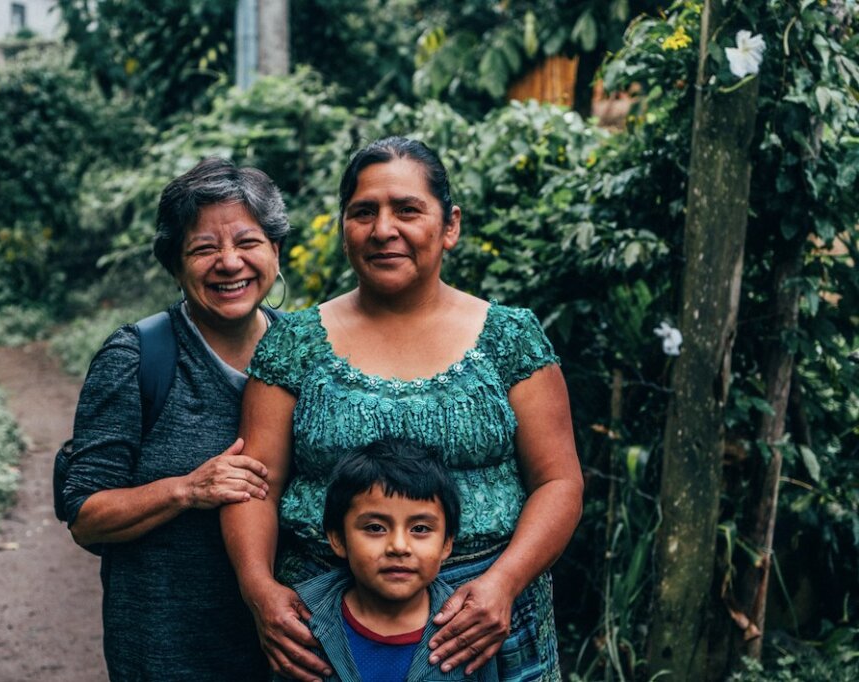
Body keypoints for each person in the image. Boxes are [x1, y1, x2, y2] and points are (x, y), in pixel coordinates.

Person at [221, 137, 583, 682]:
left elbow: (559, 482)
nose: (383, 229)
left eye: (407, 210)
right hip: (326, 629)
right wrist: (259, 590)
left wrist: (504, 584)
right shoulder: (293, 343)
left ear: (450, 224)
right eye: (363, 212)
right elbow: (256, 484)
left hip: (486, 622)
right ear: (344, 227)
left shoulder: (510, 340)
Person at [60, 157, 289, 680]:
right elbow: (85, 516)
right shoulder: (138, 357)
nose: (229, 263)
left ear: (275, 250)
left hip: (286, 650)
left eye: (247, 243)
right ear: (175, 263)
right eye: (204, 248)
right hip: (166, 654)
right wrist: (188, 489)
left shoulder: (305, 351)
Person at [292, 439, 498, 682]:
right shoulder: (303, 621)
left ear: (446, 544)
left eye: (420, 528)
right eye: (376, 527)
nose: (399, 547)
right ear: (338, 539)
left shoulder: (469, 629)